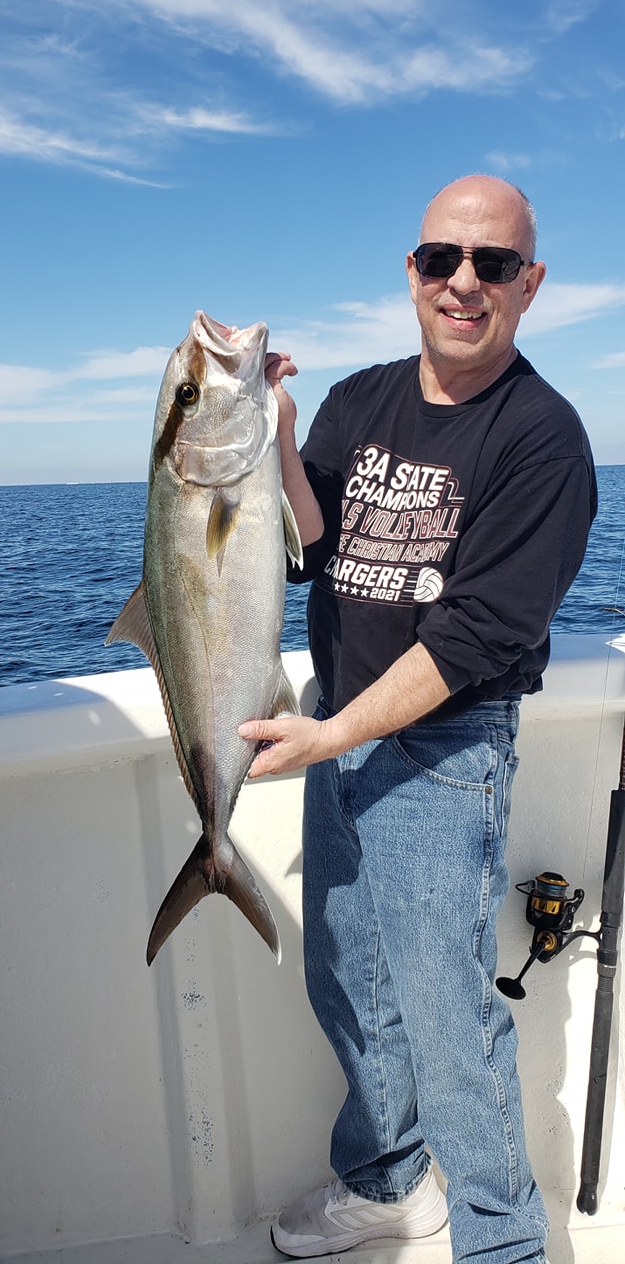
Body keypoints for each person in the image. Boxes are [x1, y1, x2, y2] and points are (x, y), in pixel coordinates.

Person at [239, 175, 597, 1263]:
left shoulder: (543, 437)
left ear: (529, 283)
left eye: (494, 264)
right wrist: (278, 434)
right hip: (338, 731)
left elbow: (479, 632)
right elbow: (310, 545)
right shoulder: (360, 399)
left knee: (450, 1023)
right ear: (412, 272)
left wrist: (332, 735)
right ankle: (390, 1184)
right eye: (443, 258)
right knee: (346, 979)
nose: (463, 283)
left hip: (442, 754)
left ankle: (501, 1242)